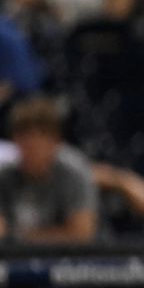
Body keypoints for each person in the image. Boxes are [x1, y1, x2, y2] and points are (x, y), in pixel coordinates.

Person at [0, 95, 97, 243]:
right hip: (16, 261)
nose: (32, 149)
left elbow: (81, 234)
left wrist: (21, 237)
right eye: (24, 139)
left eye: (39, 140)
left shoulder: (74, 172)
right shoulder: (5, 176)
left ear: (55, 142)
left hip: (74, 262)